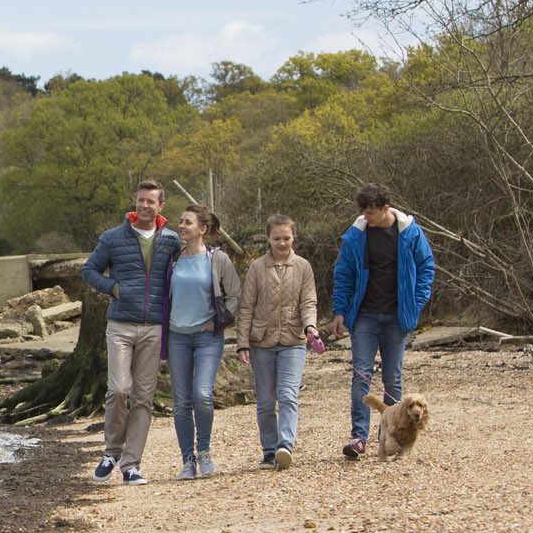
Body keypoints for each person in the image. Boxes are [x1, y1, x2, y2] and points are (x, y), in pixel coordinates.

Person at [80, 180, 181, 485]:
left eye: (151, 201)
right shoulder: (112, 238)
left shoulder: (172, 241)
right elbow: (89, 271)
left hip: (154, 328)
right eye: (141, 200)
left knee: (143, 398)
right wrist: (114, 288)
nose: (144, 206)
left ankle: (131, 465)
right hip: (121, 325)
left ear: (161, 206)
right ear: (135, 203)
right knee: (119, 389)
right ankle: (111, 452)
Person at [329, 183, 436, 460]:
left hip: (396, 316)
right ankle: (358, 437)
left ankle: (388, 436)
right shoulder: (357, 235)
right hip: (364, 314)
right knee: (361, 373)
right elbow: (344, 274)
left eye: (372, 213)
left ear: (386, 209)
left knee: (392, 378)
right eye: (364, 213)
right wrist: (340, 311)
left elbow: (426, 267)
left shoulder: (409, 232)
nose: (367, 218)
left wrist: (417, 301)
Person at [234, 214, 319, 470]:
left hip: (294, 339)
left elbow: (308, 302)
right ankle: (269, 451)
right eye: (276, 238)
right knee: (266, 400)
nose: (282, 243)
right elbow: (246, 307)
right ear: (268, 239)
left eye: (286, 238)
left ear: (293, 238)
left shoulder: (303, 266)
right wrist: (242, 343)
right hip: (261, 341)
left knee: (288, 395)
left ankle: (285, 446)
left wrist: (310, 326)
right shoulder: (257, 268)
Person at [164, 203, 241, 480]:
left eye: (187, 223)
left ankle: (204, 451)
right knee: (182, 401)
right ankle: (187, 460)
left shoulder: (217, 259)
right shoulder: (172, 258)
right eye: (180, 222)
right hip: (177, 337)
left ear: (203, 229)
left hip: (208, 337)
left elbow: (234, 295)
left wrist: (220, 321)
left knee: (202, 395)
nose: (181, 226)